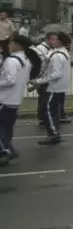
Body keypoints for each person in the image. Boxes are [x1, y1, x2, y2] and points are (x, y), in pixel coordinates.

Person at [31, 32, 71, 146]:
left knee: (47, 110)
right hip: (57, 87)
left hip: (53, 87)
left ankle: (53, 134)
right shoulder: (62, 52)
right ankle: (53, 132)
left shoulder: (58, 55)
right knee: (52, 111)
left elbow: (57, 73)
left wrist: (39, 81)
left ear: (60, 41)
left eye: (56, 39)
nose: (54, 41)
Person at [0, 34, 33, 166]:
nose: (8, 45)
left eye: (11, 43)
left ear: (17, 45)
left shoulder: (11, 61)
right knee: (7, 127)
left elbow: (9, 80)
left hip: (4, 98)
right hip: (15, 98)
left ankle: (6, 150)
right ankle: (9, 150)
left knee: (2, 126)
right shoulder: (26, 60)